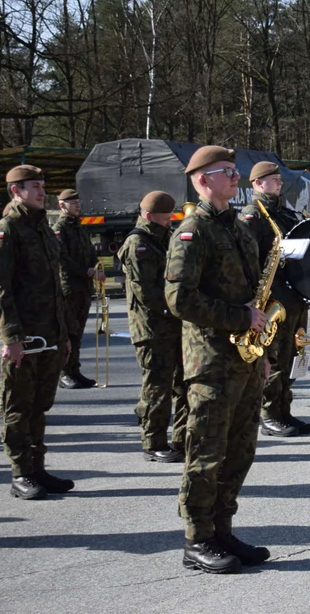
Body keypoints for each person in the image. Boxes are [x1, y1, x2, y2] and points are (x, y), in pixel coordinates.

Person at [166, 145, 270, 574]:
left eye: (235, 170)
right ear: (203, 179)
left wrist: (259, 348)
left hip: (243, 357)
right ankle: (197, 539)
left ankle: (222, 529)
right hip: (209, 360)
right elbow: (178, 298)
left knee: (239, 450)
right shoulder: (193, 230)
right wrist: (239, 317)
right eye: (228, 172)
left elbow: (253, 294)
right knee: (206, 452)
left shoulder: (240, 228)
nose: (237, 178)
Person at [0, 165, 72, 500]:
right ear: (15, 191)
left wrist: (63, 336)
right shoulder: (8, 230)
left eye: (42, 185)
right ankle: (21, 474)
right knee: (17, 406)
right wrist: (11, 337)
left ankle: (37, 468)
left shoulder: (43, 230)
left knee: (39, 405)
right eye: (34, 186)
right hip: (23, 336)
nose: (41, 192)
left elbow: (54, 290)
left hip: (48, 334)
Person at [240, 161, 310, 437]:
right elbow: (248, 259)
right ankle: (270, 414)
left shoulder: (285, 213)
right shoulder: (253, 215)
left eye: (279, 179)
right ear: (257, 183)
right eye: (273, 179)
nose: (279, 183)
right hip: (272, 297)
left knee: (292, 354)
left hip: (293, 296)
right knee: (274, 357)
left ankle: (284, 410)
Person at [118, 191, 187, 463]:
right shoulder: (138, 244)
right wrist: (179, 306)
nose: (170, 221)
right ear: (148, 216)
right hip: (152, 328)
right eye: (165, 217)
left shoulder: (163, 237)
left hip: (175, 325)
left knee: (183, 385)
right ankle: (153, 441)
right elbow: (147, 293)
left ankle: (182, 440)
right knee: (156, 387)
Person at [53, 189, 104, 389]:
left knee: (79, 331)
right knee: (68, 331)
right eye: (72, 202)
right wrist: (87, 271)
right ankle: (64, 372)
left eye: (78, 202)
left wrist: (97, 268)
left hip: (83, 287)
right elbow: (63, 260)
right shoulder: (60, 229)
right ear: (62, 205)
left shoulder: (79, 228)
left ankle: (74, 369)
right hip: (69, 287)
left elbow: (90, 252)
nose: (77, 205)